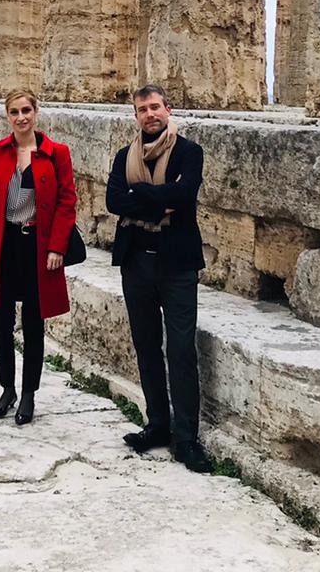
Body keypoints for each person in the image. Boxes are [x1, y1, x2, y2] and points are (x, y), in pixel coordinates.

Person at [105, 83, 213, 473]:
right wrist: (159, 197)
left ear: (168, 110)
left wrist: (140, 193)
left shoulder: (189, 152)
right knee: (146, 346)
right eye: (142, 109)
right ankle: (157, 425)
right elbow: (113, 200)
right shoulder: (124, 156)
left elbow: (184, 198)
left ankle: (186, 438)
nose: (149, 114)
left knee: (181, 350)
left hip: (177, 264)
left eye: (155, 107)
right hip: (136, 261)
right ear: (136, 116)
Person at [0, 89, 77, 425]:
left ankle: (29, 393)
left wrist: (57, 247)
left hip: (37, 246)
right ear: (8, 116)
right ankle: (7, 389)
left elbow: (66, 203)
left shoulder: (56, 153)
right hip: (4, 246)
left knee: (34, 322)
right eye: (15, 112)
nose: (21, 117)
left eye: (26, 111)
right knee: (1, 322)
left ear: (36, 112)